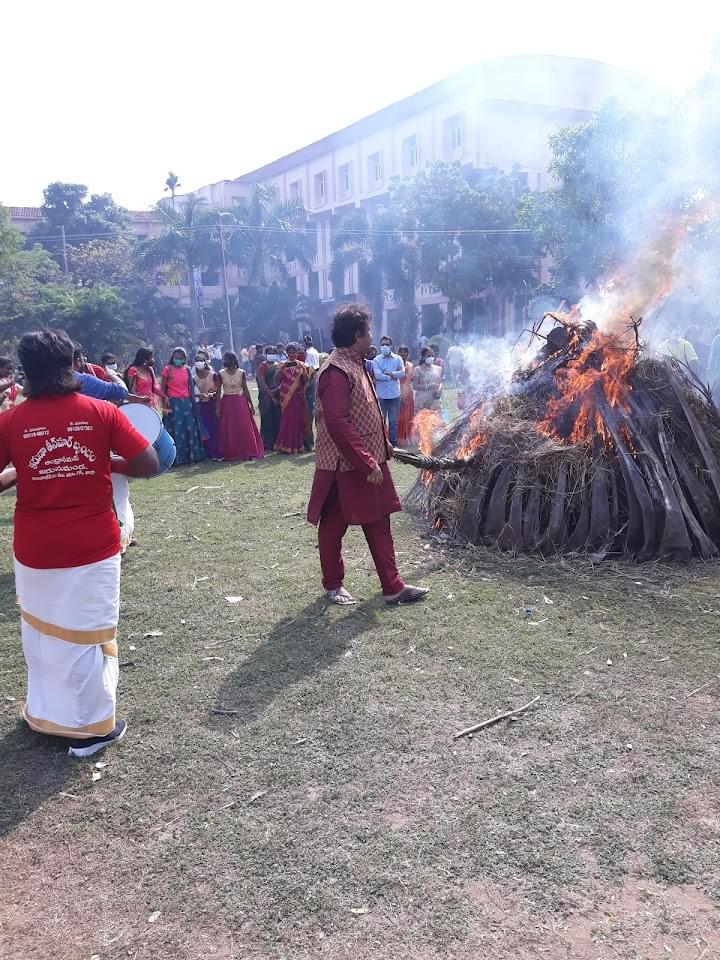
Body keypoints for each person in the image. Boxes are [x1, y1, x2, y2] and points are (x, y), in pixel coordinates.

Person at [0, 329, 159, 756]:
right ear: (71, 363)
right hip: (91, 545)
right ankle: (91, 730)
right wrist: (103, 461)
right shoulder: (99, 412)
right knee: (89, 636)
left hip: (35, 549)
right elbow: (149, 462)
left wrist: (18, 473)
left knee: (40, 634)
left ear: (26, 372)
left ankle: (45, 714)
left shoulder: (11, 420)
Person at [307, 304, 429, 606]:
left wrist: (383, 445)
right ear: (357, 335)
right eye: (370, 332)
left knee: (379, 521)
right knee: (334, 525)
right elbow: (337, 422)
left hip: (368, 459)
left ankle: (393, 586)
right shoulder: (335, 371)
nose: (374, 337)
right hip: (344, 465)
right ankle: (333, 585)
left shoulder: (358, 363)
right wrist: (366, 461)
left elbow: (366, 410)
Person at [160, 348, 206, 465]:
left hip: (186, 403)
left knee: (190, 428)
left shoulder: (187, 370)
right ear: (172, 357)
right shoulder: (167, 369)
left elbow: (190, 388)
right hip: (173, 403)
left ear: (184, 359)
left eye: (181, 358)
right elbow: (162, 388)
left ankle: (192, 456)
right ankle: (175, 458)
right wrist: (164, 404)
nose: (178, 360)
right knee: (175, 430)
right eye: (176, 357)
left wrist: (195, 399)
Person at [216, 351, 264, 461]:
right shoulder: (221, 373)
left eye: (229, 359)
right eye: (226, 359)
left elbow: (245, 389)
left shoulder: (241, 372)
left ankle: (249, 450)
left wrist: (251, 404)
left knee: (245, 426)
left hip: (240, 401)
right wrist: (218, 407)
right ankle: (231, 452)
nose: (227, 361)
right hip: (227, 401)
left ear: (234, 360)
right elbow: (218, 391)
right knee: (229, 427)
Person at [275, 344, 311, 454]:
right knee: (286, 420)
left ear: (296, 353)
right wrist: (280, 370)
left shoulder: (303, 365)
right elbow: (277, 380)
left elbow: (306, 381)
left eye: (293, 352)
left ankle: (298, 446)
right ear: (286, 353)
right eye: (289, 352)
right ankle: (284, 445)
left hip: (298, 397)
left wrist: (304, 372)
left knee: (297, 420)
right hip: (285, 397)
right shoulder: (282, 365)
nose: (291, 354)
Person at [372, 335, 405, 446]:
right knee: (380, 422)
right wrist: (392, 376)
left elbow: (403, 373)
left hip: (395, 395)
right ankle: (381, 444)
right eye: (382, 344)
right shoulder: (376, 360)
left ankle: (393, 444)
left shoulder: (398, 358)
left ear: (391, 345)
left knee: (393, 422)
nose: (384, 346)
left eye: (387, 344)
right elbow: (377, 376)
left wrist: (390, 373)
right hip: (381, 396)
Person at [193, 353, 221, 460]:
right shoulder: (194, 378)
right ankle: (207, 452)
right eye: (197, 361)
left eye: (201, 360)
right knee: (204, 429)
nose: (199, 363)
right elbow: (191, 393)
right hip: (201, 405)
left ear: (205, 362)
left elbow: (218, 391)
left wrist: (213, 396)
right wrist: (198, 395)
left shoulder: (213, 375)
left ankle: (216, 451)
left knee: (215, 428)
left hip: (213, 404)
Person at [257, 349, 281, 451]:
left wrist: (277, 390)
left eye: (273, 353)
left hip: (277, 395)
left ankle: (277, 442)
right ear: (266, 355)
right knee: (266, 419)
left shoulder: (279, 365)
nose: (272, 355)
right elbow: (261, 382)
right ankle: (267, 443)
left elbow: (282, 380)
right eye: (269, 353)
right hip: (265, 397)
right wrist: (270, 394)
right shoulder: (262, 366)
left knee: (277, 419)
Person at [412, 347, 443, 412]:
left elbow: (440, 383)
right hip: (422, 401)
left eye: (432, 356)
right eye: (429, 356)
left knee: (435, 420)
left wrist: (439, 390)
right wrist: (428, 386)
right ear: (423, 357)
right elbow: (414, 386)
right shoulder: (418, 369)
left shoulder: (438, 369)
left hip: (435, 400)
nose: (431, 357)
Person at [396, 345, 415, 447]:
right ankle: (399, 439)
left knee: (408, 416)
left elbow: (410, 379)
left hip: (408, 393)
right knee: (399, 417)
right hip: (397, 392)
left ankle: (408, 438)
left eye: (405, 351)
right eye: (401, 351)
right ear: (398, 353)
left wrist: (405, 394)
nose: (403, 353)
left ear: (408, 354)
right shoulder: (395, 364)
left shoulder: (410, 365)